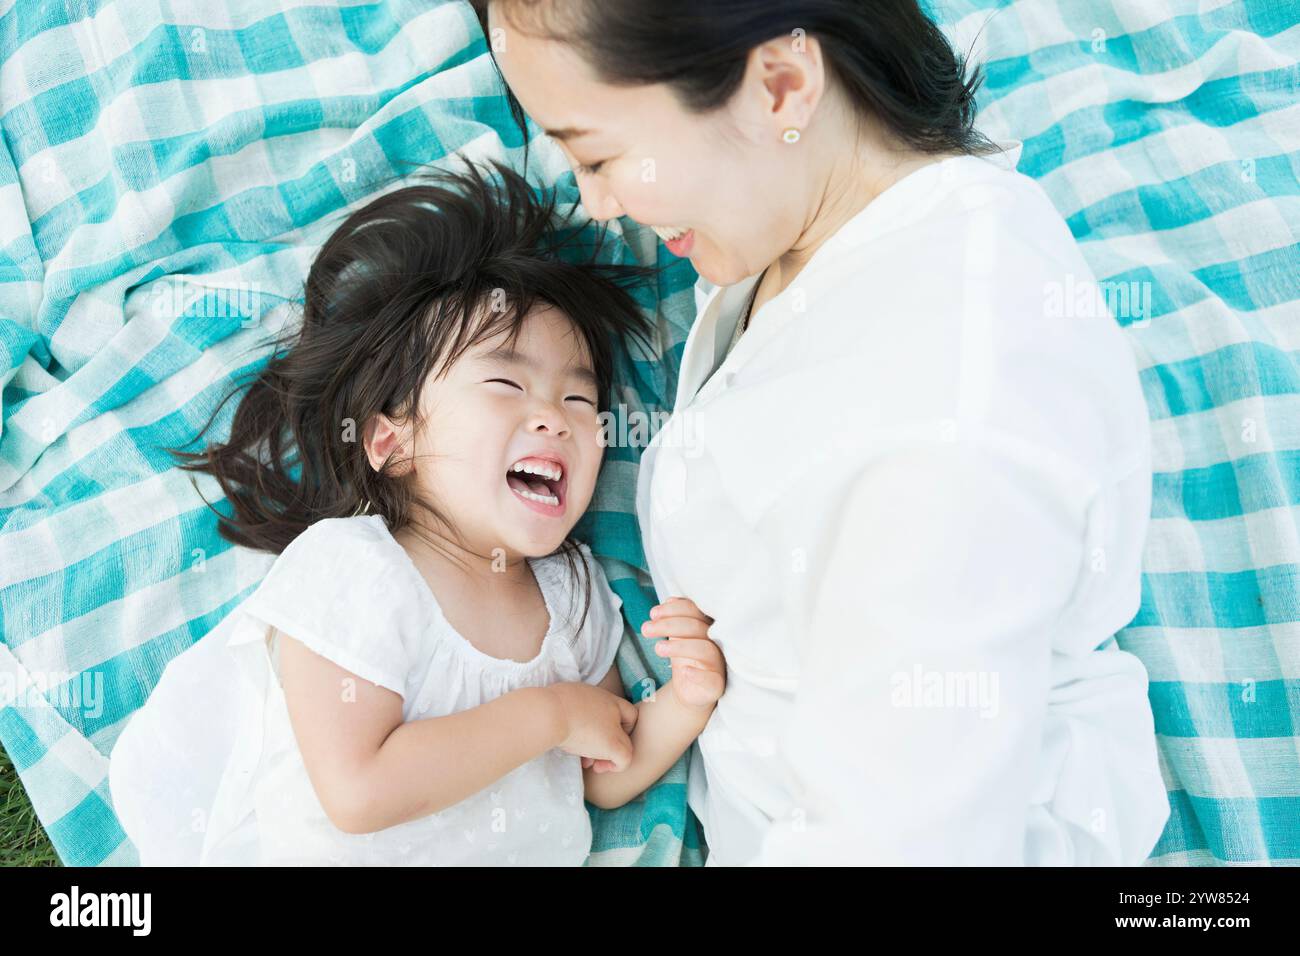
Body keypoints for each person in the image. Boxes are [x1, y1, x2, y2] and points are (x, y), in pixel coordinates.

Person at [478, 0, 1171, 865]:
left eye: (600, 156)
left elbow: (904, 835)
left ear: (782, 85)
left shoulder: (952, 429)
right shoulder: (814, 214)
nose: (596, 205)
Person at [108, 159, 725, 865]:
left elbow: (605, 769)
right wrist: (549, 715)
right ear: (391, 442)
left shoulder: (574, 597)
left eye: (579, 400)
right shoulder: (355, 569)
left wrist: (685, 701)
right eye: (504, 383)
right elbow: (358, 791)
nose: (553, 418)